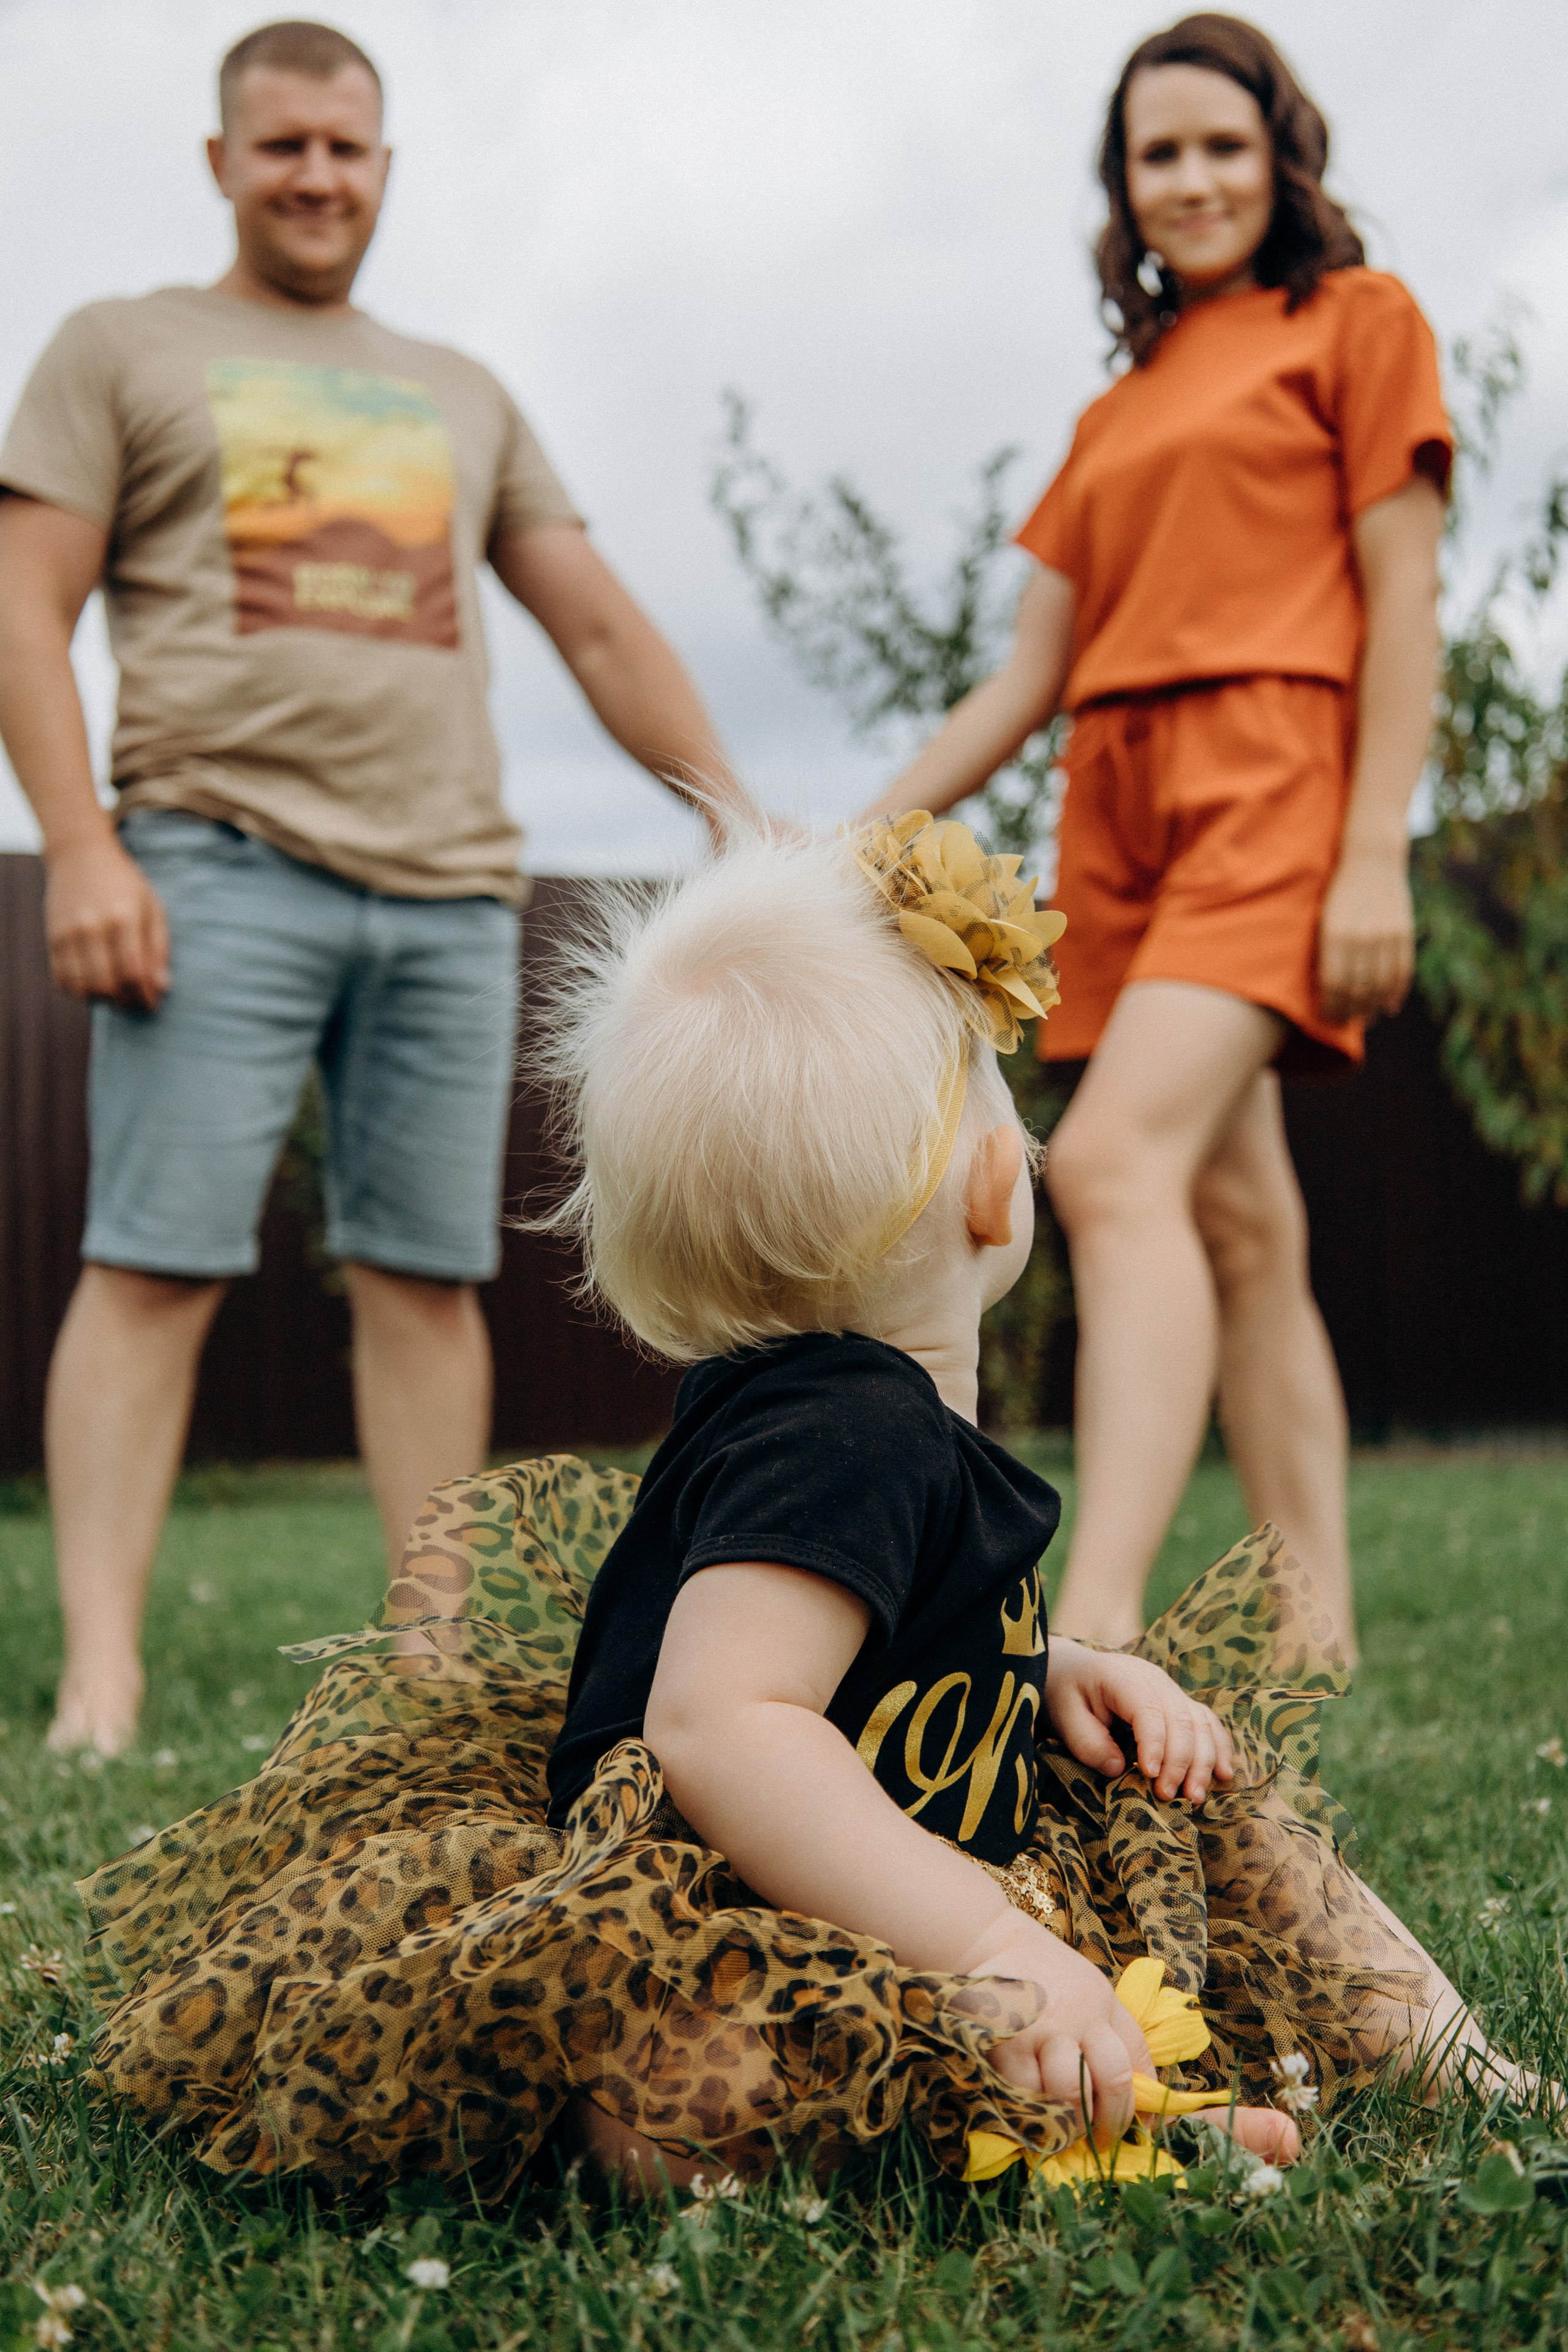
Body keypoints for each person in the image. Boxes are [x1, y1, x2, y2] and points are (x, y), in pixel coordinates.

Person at [77, 819, 1540, 2199]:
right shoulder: (846, 1435)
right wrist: (985, 1943)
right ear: (989, 1188)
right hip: (750, 1910)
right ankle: (1128, 2107)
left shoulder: (835, 1413)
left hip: (921, 1866)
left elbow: (900, 1643)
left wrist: (1057, 1680)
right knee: (691, 2092)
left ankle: (1419, 2070)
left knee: (1236, 1829)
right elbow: (723, 1725)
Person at [0, 19, 757, 1759]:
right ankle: (99, 1676)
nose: (317, 176)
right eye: (282, 147)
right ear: (221, 161)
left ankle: (429, 1658)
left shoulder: (464, 389)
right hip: (209, 861)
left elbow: (591, 619)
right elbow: (24, 609)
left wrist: (732, 808)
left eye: (346, 147)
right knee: (151, 1261)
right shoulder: (119, 347)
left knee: (426, 1276)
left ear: (387, 166)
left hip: (448, 894)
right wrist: (85, 848)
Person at [858, 15, 1450, 1663]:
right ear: (1123, 191)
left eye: (1219, 146)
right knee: (1242, 1223)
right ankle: (1312, 1623)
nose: (1188, 180)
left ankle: (1098, 1615)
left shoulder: (1358, 321)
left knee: (1111, 1169)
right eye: (1156, 156)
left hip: (1275, 778)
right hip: (1115, 812)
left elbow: (1406, 598)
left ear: (1282, 157)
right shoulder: (1112, 419)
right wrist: (864, 827)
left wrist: (1376, 849)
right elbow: (1029, 676)